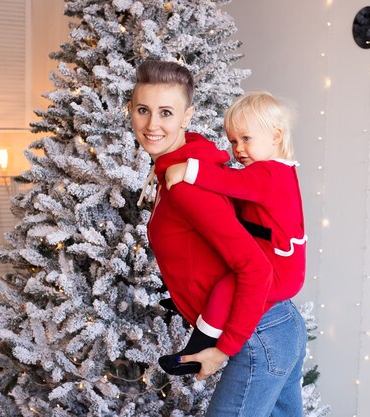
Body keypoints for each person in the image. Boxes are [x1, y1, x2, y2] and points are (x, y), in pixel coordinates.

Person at [130, 59, 307, 416]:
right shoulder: (178, 168)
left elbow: (255, 268)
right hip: (277, 324)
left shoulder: (187, 183)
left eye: (166, 112)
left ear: (187, 116)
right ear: (130, 111)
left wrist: (222, 349)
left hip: (262, 333)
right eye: (143, 110)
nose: (152, 125)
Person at [160, 92, 308, 379]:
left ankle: (203, 348)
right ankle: (202, 322)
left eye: (246, 139)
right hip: (281, 264)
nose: (238, 149)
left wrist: (188, 169)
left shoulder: (268, 174)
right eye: (233, 141)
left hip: (281, 270)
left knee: (228, 289)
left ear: (275, 136)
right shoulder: (269, 172)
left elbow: (230, 182)